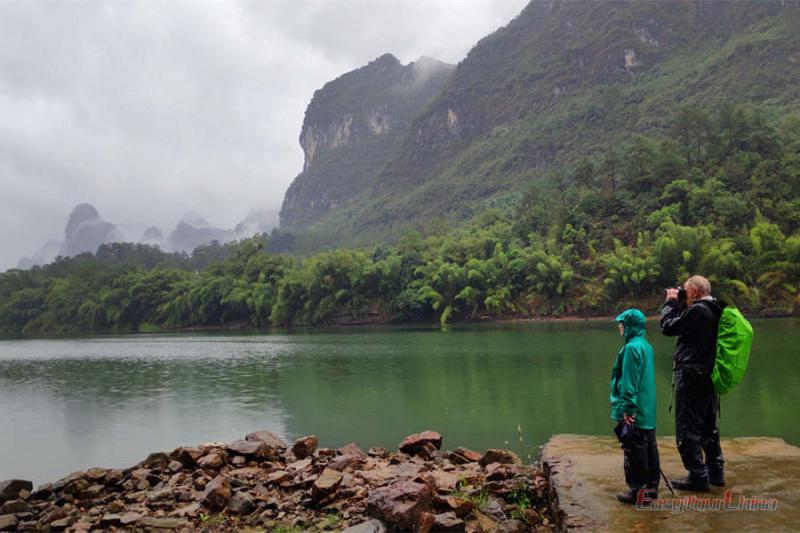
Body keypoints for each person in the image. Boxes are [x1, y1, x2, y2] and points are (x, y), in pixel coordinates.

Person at [661, 275, 726, 492]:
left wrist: (670, 302)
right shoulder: (715, 309)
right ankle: (716, 472)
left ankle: (698, 477)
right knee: (708, 425)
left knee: (687, 427)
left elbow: (668, 327)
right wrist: (682, 303)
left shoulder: (698, 311)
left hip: (691, 375)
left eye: (686, 290)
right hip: (708, 374)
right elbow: (686, 327)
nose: (683, 293)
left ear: (696, 292)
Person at [610, 308, 660, 504]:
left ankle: (638, 491)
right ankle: (651, 489)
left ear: (629, 326)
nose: (619, 326)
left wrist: (627, 409)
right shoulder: (646, 345)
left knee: (634, 449)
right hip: (647, 407)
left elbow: (629, 382)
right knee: (650, 448)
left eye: (622, 323)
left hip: (636, 408)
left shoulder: (631, 348)